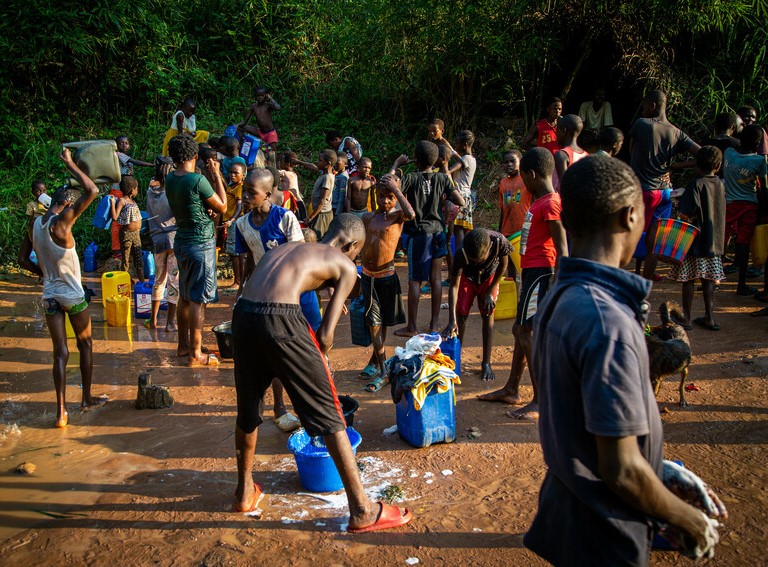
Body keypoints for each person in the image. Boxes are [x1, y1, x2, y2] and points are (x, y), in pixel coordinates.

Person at [525, 155, 725, 565]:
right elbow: (622, 472)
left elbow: (583, 418)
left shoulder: (561, 296)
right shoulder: (608, 322)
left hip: (571, 512)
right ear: (631, 216)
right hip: (607, 531)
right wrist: (688, 519)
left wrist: (659, 468)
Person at [231, 214, 413, 534]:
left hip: (243, 314)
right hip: (280, 317)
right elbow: (326, 334)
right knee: (328, 410)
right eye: (357, 253)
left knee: (248, 409)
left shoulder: (290, 248)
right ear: (352, 245)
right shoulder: (344, 265)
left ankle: (244, 492)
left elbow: (284, 286)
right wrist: (320, 363)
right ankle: (362, 510)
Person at [18, 149, 107, 428]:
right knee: (86, 344)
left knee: (60, 352)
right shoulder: (63, 223)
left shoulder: (35, 224)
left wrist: (43, 273)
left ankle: (61, 413)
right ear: (67, 203)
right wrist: (70, 164)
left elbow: (22, 259)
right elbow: (91, 190)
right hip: (72, 294)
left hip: (49, 295)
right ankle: (86, 398)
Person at [478, 148, 567, 419]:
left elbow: (562, 247)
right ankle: (512, 388)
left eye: (525, 180)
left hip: (542, 274)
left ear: (530, 174)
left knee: (525, 332)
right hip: (531, 273)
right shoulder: (541, 201)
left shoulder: (550, 202)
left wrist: (555, 281)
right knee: (521, 330)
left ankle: (540, 400)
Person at [233, 168, 308, 432]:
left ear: (267, 194)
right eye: (244, 191)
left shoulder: (284, 218)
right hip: (263, 296)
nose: (244, 196)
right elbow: (248, 264)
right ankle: (278, 408)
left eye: (250, 193)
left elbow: (300, 258)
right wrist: (242, 294)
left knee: (300, 352)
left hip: (289, 295)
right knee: (270, 354)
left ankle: (301, 407)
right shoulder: (241, 225)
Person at [386, 141, 465, 338]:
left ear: (416, 159)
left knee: (415, 280)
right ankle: (434, 323)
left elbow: (389, 185)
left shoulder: (411, 178)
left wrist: (396, 164)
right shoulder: (442, 179)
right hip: (438, 232)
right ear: (436, 159)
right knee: (436, 279)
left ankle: (412, 326)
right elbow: (460, 201)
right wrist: (444, 201)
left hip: (420, 235)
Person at [165, 135, 227, 366]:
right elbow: (223, 206)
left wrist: (204, 209)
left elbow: (192, 205)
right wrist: (216, 174)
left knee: (185, 295)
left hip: (181, 241)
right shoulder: (196, 180)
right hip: (200, 244)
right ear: (195, 157)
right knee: (199, 300)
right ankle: (195, 354)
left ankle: (183, 347)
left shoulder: (171, 178)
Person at [628, 89, 700, 281]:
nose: (642, 110)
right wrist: (675, 166)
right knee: (654, 241)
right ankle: (646, 279)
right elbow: (703, 155)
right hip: (665, 192)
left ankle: (620, 278)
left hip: (643, 190)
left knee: (627, 233)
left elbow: (631, 150)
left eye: (644, 106)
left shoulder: (641, 124)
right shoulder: (677, 132)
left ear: (653, 105)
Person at [357, 178, 415, 391]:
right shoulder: (368, 217)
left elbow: (411, 214)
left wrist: (397, 191)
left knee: (383, 324)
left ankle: (376, 360)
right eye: (381, 196)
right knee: (373, 323)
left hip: (387, 277)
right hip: (368, 277)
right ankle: (382, 370)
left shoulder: (397, 217)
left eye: (389, 197)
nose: (385, 201)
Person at [667, 146, 726, 330]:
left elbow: (685, 214)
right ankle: (710, 317)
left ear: (696, 165)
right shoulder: (720, 184)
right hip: (714, 241)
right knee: (708, 280)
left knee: (689, 280)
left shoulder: (695, 184)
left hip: (694, 241)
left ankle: (687, 319)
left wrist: (677, 205)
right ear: (718, 165)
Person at [443, 228, 512, 382]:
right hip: (468, 278)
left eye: (479, 260)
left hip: (490, 278)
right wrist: (452, 319)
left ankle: (486, 363)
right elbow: (454, 286)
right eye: (473, 261)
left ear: (489, 250)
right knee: (461, 315)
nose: (477, 263)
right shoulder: (461, 253)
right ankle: (456, 358)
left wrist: (490, 290)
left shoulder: (500, 242)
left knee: (488, 314)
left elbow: (503, 266)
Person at [722, 125, 768, 296]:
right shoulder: (759, 161)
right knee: (743, 243)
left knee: (723, 239)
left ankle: (715, 278)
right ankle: (741, 284)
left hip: (729, 203)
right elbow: (764, 188)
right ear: (757, 144)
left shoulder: (729, 153)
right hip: (749, 206)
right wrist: (764, 212)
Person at [145, 159, 179, 331]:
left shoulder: (150, 190)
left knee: (158, 280)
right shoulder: (172, 191)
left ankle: (153, 320)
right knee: (174, 281)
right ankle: (170, 323)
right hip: (173, 239)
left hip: (157, 240)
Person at [498, 150, 530, 276]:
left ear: (520, 162)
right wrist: (500, 232)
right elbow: (502, 209)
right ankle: (514, 295)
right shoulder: (503, 183)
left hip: (522, 231)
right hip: (506, 232)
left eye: (512, 161)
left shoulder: (526, 179)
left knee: (524, 267)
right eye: (506, 162)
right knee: (509, 268)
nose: (509, 165)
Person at [110, 176, 144, 283]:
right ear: (131, 190)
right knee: (125, 258)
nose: (137, 190)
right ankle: (125, 281)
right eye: (136, 188)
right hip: (126, 234)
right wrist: (112, 203)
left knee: (139, 258)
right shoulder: (122, 201)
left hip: (136, 234)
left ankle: (142, 282)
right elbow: (115, 217)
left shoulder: (132, 201)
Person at [450, 130, 477, 251]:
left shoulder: (465, 159)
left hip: (460, 196)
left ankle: (459, 255)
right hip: (467, 196)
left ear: (465, 145)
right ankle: (466, 256)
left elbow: (449, 171)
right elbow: (455, 154)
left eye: (458, 144)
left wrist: (444, 167)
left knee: (458, 229)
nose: (456, 146)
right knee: (463, 229)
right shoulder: (471, 159)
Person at [237, 86, 281, 157]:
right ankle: (243, 145)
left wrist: (270, 98)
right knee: (240, 127)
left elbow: (278, 107)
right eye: (258, 95)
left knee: (272, 150)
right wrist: (237, 125)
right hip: (260, 132)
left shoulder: (268, 105)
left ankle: (261, 147)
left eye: (262, 95)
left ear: (265, 95)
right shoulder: (254, 107)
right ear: (255, 96)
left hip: (270, 133)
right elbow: (245, 121)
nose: (260, 97)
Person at [301, 149, 336, 238]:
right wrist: (298, 162)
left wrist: (310, 218)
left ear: (327, 164)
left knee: (317, 239)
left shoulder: (328, 178)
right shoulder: (324, 173)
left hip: (322, 215)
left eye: (320, 160)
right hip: (318, 212)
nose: (317, 162)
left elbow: (322, 201)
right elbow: (313, 167)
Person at [224, 162, 246, 290]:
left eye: (236, 173)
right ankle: (238, 280)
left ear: (243, 175)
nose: (232, 175)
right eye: (231, 172)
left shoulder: (239, 188)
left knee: (235, 253)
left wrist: (232, 219)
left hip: (235, 222)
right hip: (230, 221)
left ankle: (238, 281)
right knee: (234, 253)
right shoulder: (231, 186)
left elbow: (239, 206)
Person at [553, 114, 588, 192]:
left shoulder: (562, 155)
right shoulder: (586, 155)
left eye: (557, 130)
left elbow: (564, 187)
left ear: (563, 131)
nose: (556, 134)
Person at [330, 152, 350, 217]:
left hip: (336, 208)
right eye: (334, 162)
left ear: (345, 164)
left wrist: (337, 213)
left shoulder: (343, 178)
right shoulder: (337, 175)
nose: (335, 165)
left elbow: (342, 197)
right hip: (332, 206)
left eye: (337, 163)